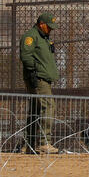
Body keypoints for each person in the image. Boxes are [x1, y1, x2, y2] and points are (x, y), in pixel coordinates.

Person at [19, 12, 61, 154]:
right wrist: (36, 70)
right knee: (48, 106)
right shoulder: (31, 36)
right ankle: (44, 142)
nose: (50, 30)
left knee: (36, 110)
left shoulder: (44, 37)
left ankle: (28, 145)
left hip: (45, 78)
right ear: (41, 24)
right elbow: (26, 56)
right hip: (38, 78)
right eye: (48, 27)